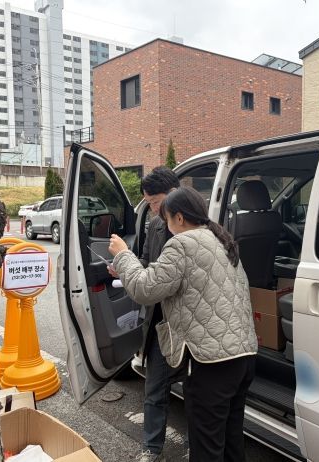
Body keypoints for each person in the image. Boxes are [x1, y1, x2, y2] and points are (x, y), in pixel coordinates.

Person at [108, 186, 258, 462]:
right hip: (243, 355)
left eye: (166, 219)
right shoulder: (221, 239)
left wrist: (123, 255)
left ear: (178, 218)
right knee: (231, 441)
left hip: (212, 363)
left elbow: (145, 288)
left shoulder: (182, 244)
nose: (165, 225)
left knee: (206, 449)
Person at [136, 166, 181, 462]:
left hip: (188, 320)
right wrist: (126, 266)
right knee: (154, 387)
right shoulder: (154, 225)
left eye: (156, 202)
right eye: (149, 203)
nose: (153, 209)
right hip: (160, 318)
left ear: (174, 194)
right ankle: (151, 448)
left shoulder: (194, 227)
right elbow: (145, 260)